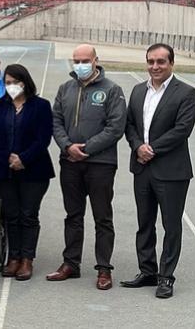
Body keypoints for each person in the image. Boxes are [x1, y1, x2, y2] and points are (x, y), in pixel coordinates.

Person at [121, 44, 195, 299]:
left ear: (171, 64)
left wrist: (151, 149)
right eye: (151, 61)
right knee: (144, 223)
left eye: (161, 62)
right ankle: (147, 271)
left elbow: (182, 129)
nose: (155, 67)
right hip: (142, 169)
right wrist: (137, 147)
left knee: (171, 225)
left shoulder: (186, 93)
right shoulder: (137, 91)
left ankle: (166, 276)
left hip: (171, 171)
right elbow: (130, 124)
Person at [47, 44, 126, 290]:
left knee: (102, 217)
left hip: (100, 164)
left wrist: (87, 148)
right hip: (69, 162)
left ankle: (104, 268)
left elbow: (116, 127)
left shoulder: (112, 90)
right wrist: (67, 146)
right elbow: (56, 121)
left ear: (95, 61)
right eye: (76, 60)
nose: (80, 64)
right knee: (73, 215)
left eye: (85, 60)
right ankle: (71, 263)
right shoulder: (65, 89)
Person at [0, 64, 54, 280]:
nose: (11, 86)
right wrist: (8, 157)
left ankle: (27, 259)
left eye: (15, 82)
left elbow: (43, 138)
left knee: (28, 215)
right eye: (7, 83)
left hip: (34, 171)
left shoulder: (41, 106)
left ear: (25, 83)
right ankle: (13, 257)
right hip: (6, 170)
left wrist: (23, 158)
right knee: (11, 215)